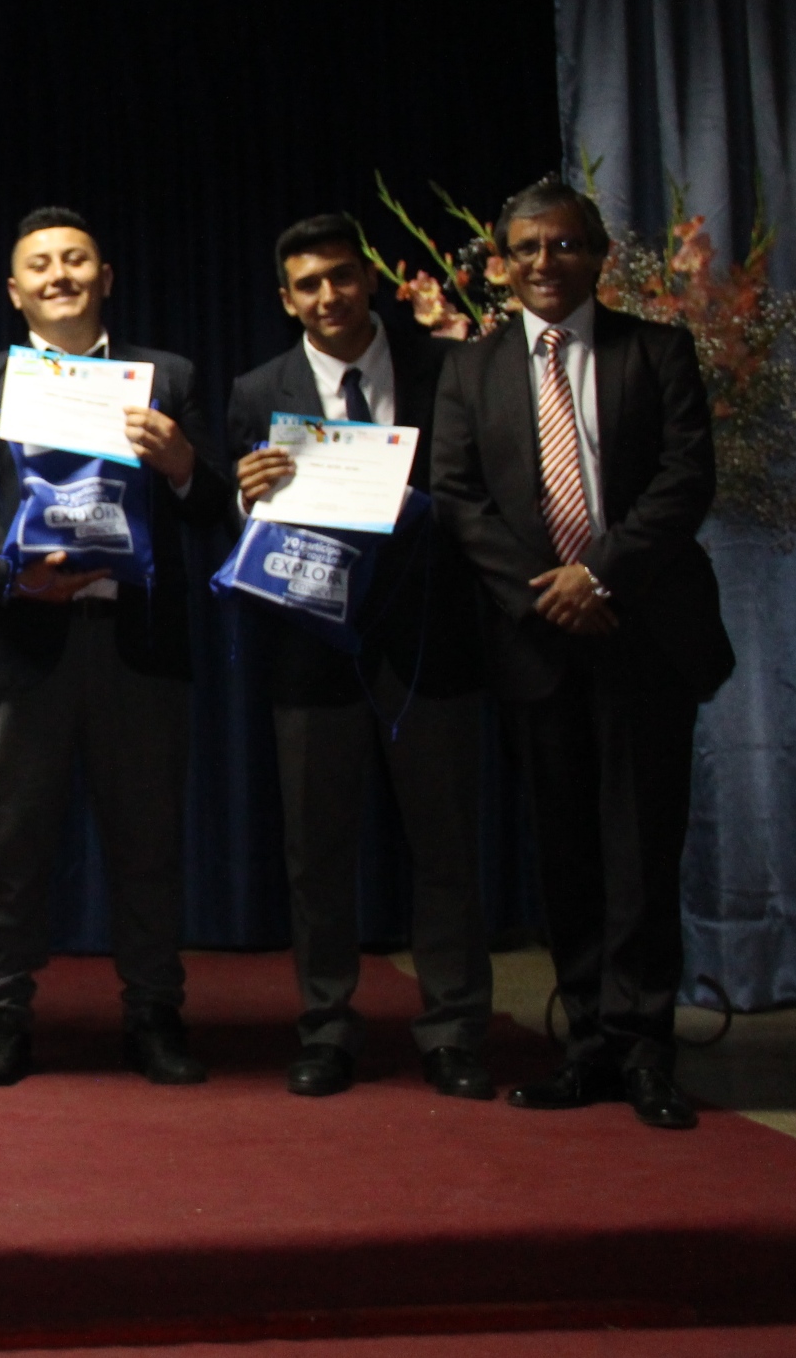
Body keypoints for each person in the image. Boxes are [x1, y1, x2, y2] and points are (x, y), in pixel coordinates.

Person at [432, 181, 732, 1130]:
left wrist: (596, 575)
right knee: (565, 853)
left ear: (599, 255)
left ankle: (647, 1052)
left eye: (562, 246)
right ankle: (588, 1047)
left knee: (642, 849)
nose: (542, 263)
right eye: (524, 249)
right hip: (537, 644)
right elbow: (457, 496)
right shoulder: (470, 370)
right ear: (501, 263)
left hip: (645, 634)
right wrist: (547, 591)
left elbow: (687, 480)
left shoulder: (658, 350)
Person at [0, 207, 229, 1088]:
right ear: (14, 289)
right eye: (39, 264)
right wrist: (11, 574)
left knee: (147, 846)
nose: (58, 274)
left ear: (105, 276)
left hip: (136, 645)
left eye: (74, 259)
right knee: (9, 850)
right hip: (19, 643)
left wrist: (178, 461)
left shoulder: (164, 376)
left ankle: (154, 1016)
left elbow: (210, 506)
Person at [227, 214, 494, 1101]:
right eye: (307, 284)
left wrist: (416, 503)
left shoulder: (447, 368)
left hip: (428, 641)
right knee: (316, 852)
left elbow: (481, 496)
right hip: (310, 652)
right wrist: (245, 497)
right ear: (284, 298)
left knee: (447, 847)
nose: (328, 296)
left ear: (368, 281)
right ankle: (326, 1027)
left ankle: (453, 1029)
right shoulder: (256, 387)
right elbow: (240, 530)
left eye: (341, 276)